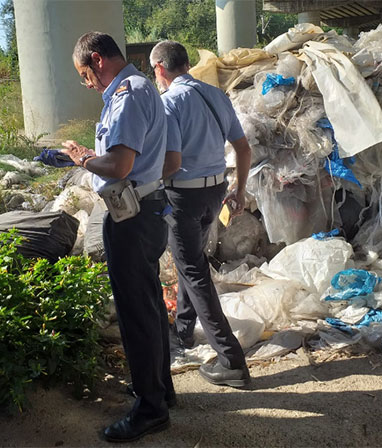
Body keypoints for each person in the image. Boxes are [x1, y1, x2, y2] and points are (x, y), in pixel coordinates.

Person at [61, 32, 174, 443]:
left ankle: (150, 409)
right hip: (149, 207)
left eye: (84, 74)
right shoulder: (145, 89)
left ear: (97, 59)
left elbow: (121, 163)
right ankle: (160, 388)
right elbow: (170, 158)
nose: (86, 83)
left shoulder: (127, 93)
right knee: (149, 304)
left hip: (130, 215)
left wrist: (84, 158)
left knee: (135, 311)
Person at [150, 40, 253, 387]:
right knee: (189, 260)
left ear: (160, 69)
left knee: (193, 271)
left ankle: (231, 361)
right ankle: (182, 331)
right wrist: (238, 192)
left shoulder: (169, 103)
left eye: (154, 72)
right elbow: (243, 147)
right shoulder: (216, 95)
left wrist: (145, 179)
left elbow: (173, 162)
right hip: (215, 193)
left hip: (184, 197)